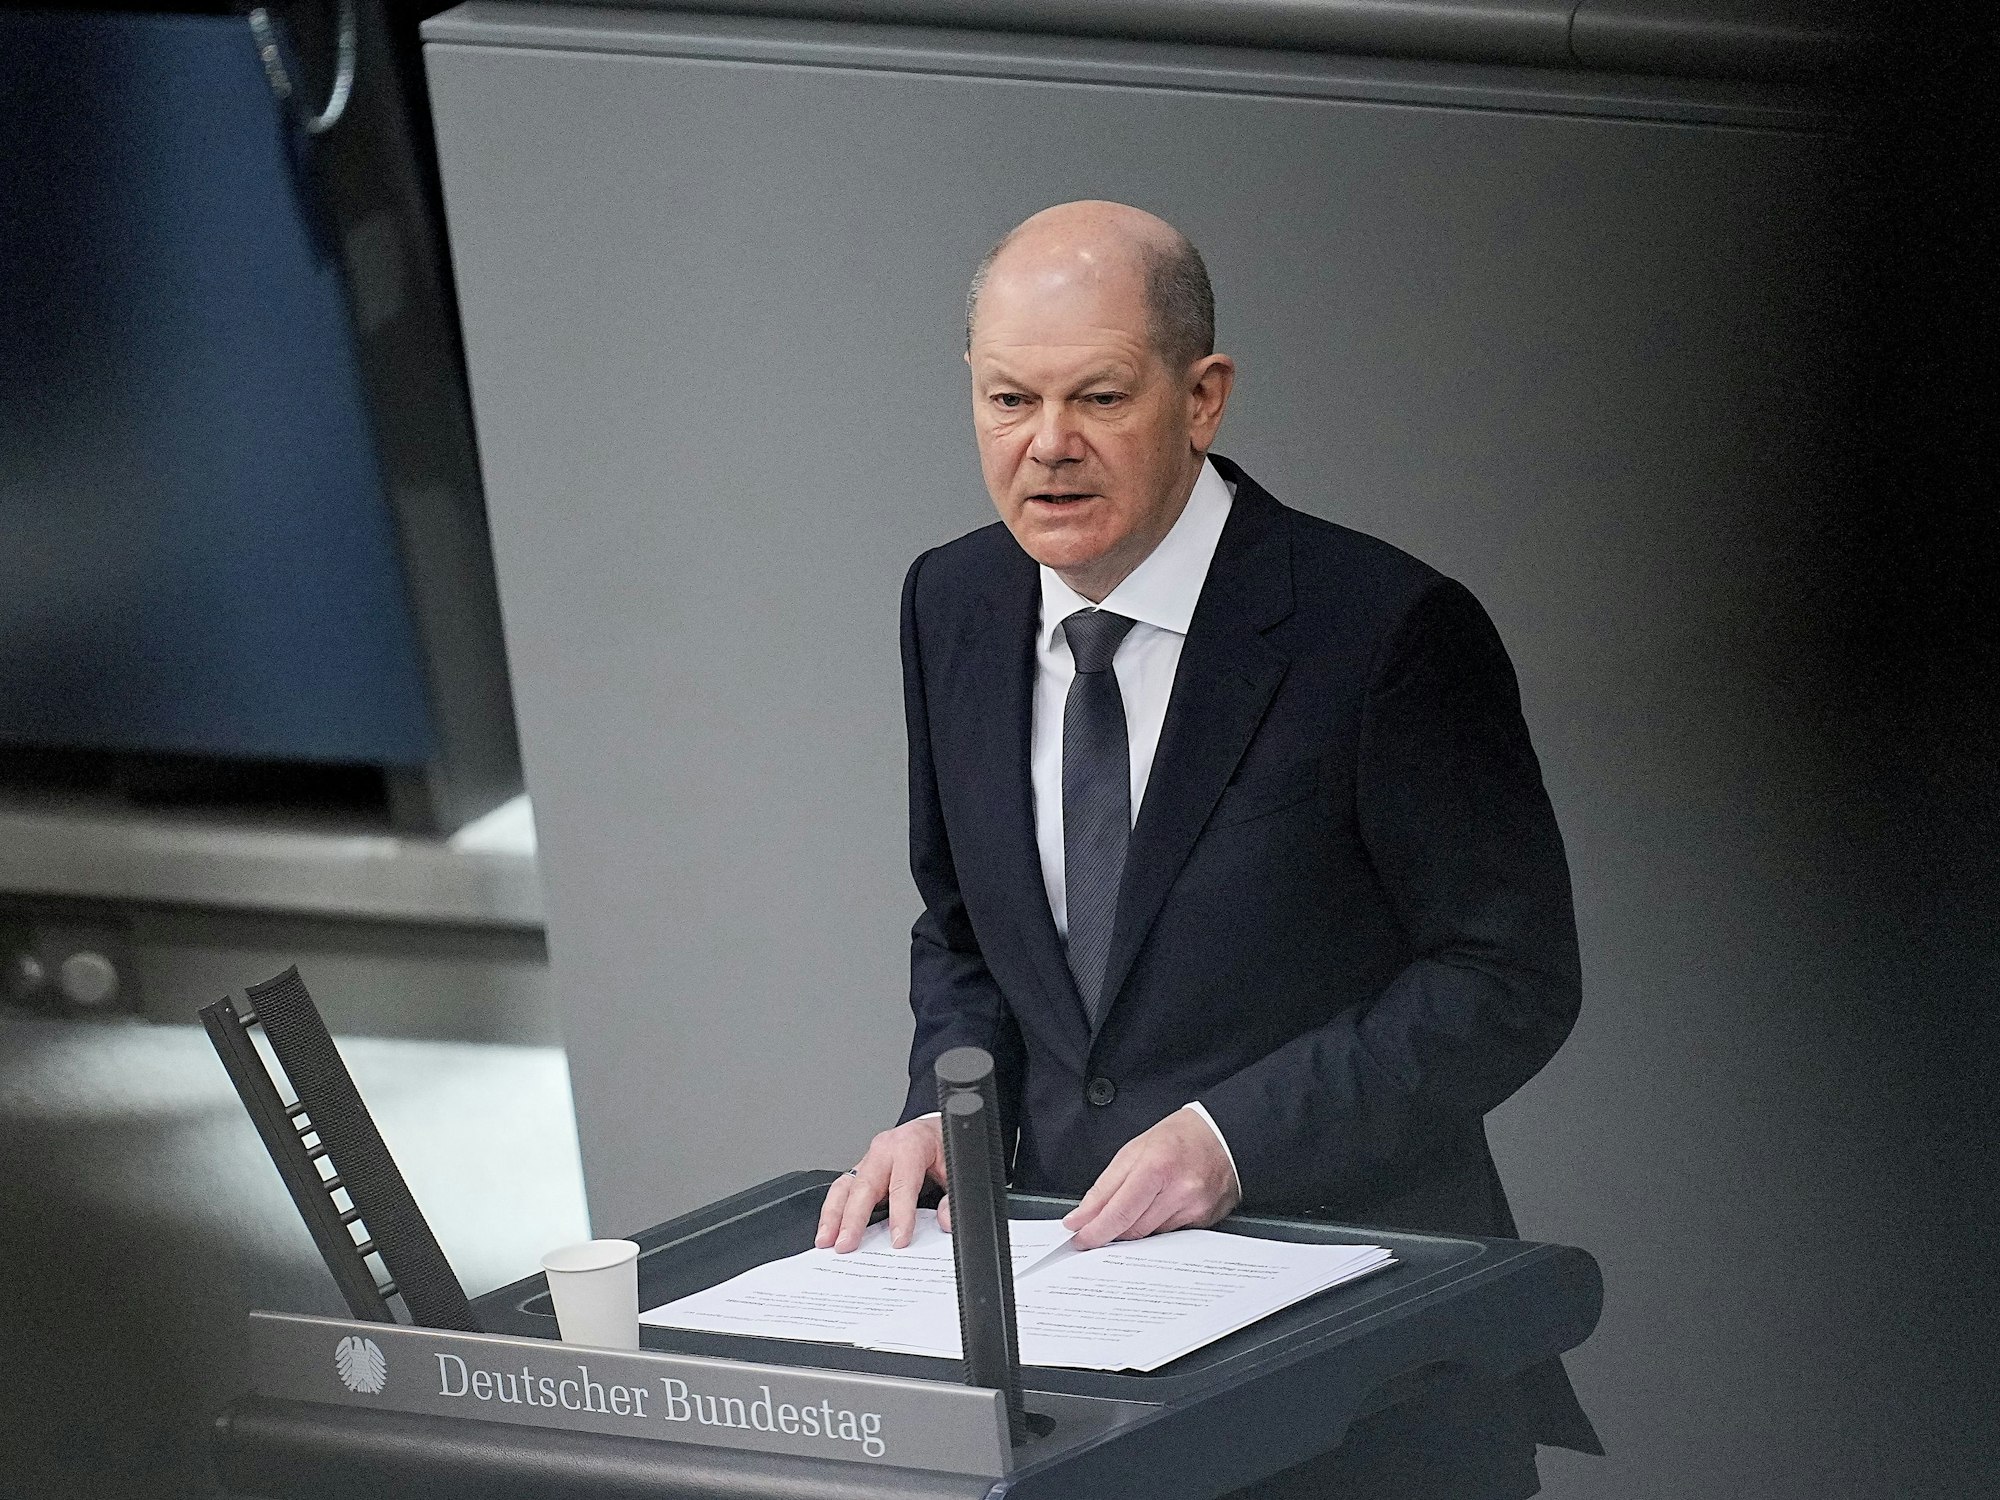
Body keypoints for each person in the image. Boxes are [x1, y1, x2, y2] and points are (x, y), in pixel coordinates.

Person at [816, 200, 1596, 1492]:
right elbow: (963, 934)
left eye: (1099, 399)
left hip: (1361, 1367)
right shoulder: (949, 601)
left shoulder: (1386, 631)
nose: (1047, 449)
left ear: (1204, 395)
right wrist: (941, 1119)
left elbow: (1508, 979)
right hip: (1084, 1359)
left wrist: (1232, 1140)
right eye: (1009, 402)